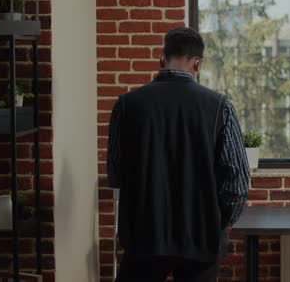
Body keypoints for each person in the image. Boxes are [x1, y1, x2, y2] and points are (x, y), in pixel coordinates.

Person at [107, 27, 250, 282]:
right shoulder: (219, 106)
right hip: (200, 237)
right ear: (197, 63)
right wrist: (216, 221)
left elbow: (115, 174)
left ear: (162, 59)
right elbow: (237, 183)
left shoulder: (126, 105)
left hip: (143, 236)